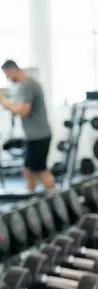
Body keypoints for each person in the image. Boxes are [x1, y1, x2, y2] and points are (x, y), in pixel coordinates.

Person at [0, 59, 54, 191]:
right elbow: (20, 106)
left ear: (12, 70)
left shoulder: (28, 85)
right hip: (36, 135)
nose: (7, 79)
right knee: (28, 170)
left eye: (7, 75)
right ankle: (32, 196)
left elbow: (23, 111)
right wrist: (8, 103)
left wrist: (4, 102)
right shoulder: (27, 84)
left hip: (38, 135)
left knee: (40, 170)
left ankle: (56, 200)